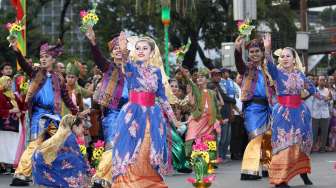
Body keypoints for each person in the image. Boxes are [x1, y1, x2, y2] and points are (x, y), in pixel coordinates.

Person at [110, 35, 179, 187]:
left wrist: (174, 120)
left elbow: (162, 97)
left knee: (148, 148)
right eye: (138, 48)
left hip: (153, 115)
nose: (141, 51)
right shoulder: (131, 67)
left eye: (145, 48)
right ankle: (130, 183)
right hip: (133, 115)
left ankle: (148, 182)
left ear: (152, 52)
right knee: (133, 148)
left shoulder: (157, 72)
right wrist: (123, 49)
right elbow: (125, 61)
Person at [9, 40, 78, 186]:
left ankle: (48, 175)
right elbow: (23, 64)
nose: (43, 59)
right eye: (41, 57)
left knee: (51, 144)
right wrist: (17, 51)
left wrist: (75, 110)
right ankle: (21, 174)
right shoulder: (35, 73)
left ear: (53, 59)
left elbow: (66, 97)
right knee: (36, 143)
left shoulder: (59, 78)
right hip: (39, 116)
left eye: (46, 56)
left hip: (53, 118)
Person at [263, 34, 316, 188]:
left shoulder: (299, 74)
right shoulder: (276, 73)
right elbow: (270, 63)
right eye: (283, 56)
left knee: (300, 143)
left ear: (294, 59)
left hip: (300, 112)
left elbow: (312, 87)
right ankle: (281, 179)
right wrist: (267, 49)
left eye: (288, 56)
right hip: (283, 112)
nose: (285, 58)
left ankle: (303, 172)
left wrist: (307, 96)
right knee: (284, 143)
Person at [85, 27, 129, 188]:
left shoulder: (132, 69)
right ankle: (99, 178)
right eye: (114, 48)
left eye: (120, 47)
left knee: (126, 150)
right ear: (111, 53)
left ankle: (116, 178)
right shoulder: (109, 67)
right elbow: (98, 58)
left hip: (131, 115)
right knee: (111, 145)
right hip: (113, 113)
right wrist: (93, 43)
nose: (118, 50)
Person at [234, 36, 273, 180]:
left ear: (262, 52)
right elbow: (238, 64)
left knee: (267, 138)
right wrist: (237, 50)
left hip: (269, 106)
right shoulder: (247, 68)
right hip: (252, 107)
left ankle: (268, 168)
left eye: (257, 51)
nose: (255, 54)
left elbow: (273, 67)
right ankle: (248, 171)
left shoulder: (268, 66)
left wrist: (268, 49)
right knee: (255, 137)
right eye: (251, 51)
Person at [32, 114, 89, 187]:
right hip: (43, 166)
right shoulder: (70, 136)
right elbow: (79, 156)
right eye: (82, 127)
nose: (83, 130)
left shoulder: (61, 133)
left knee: (71, 158)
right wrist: (89, 172)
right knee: (76, 161)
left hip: (37, 165)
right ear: (75, 127)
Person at [181, 68, 222, 158]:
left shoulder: (212, 93)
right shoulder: (196, 90)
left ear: (207, 79)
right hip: (198, 118)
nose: (199, 78)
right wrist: (183, 71)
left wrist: (219, 119)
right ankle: (188, 158)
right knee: (190, 137)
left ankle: (210, 160)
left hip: (209, 119)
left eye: (202, 77)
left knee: (210, 139)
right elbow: (189, 81)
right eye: (198, 77)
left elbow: (216, 107)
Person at [168, 78, 192, 173]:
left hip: (172, 125)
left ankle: (179, 165)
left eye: (176, 86)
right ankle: (181, 165)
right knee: (178, 143)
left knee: (176, 144)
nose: (174, 88)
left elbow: (186, 107)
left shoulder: (175, 99)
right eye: (172, 86)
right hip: (162, 124)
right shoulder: (164, 97)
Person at [0, 76, 20, 174]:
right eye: (7, 81)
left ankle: (12, 164)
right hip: (4, 125)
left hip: (14, 124)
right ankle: (5, 165)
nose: (9, 83)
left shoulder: (13, 94)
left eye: (10, 81)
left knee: (13, 144)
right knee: (4, 145)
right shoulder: (0, 95)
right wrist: (11, 110)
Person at [311, 75, 332, 152]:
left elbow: (329, 99)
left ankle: (323, 148)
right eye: (320, 80)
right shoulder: (314, 90)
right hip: (315, 114)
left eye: (323, 80)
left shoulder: (328, 90)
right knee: (314, 132)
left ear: (325, 81)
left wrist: (326, 98)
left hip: (325, 114)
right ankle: (312, 148)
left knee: (324, 132)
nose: (322, 81)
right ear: (318, 81)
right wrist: (325, 98)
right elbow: (322, 100)